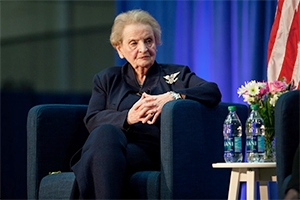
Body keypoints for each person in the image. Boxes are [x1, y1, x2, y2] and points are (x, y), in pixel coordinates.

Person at [70, 9, 222, 199]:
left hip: (152, 152)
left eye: (148, 41)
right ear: (120, 49)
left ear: (156, 43)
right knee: (105, 134)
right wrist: (128, 117)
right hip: (112, 148)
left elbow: (212, 91)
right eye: (134, 43)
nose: (143, 49)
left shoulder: (176, 75)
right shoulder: (107, 79)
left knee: (97, 154)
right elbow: (93, 119)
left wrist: (173, 96)